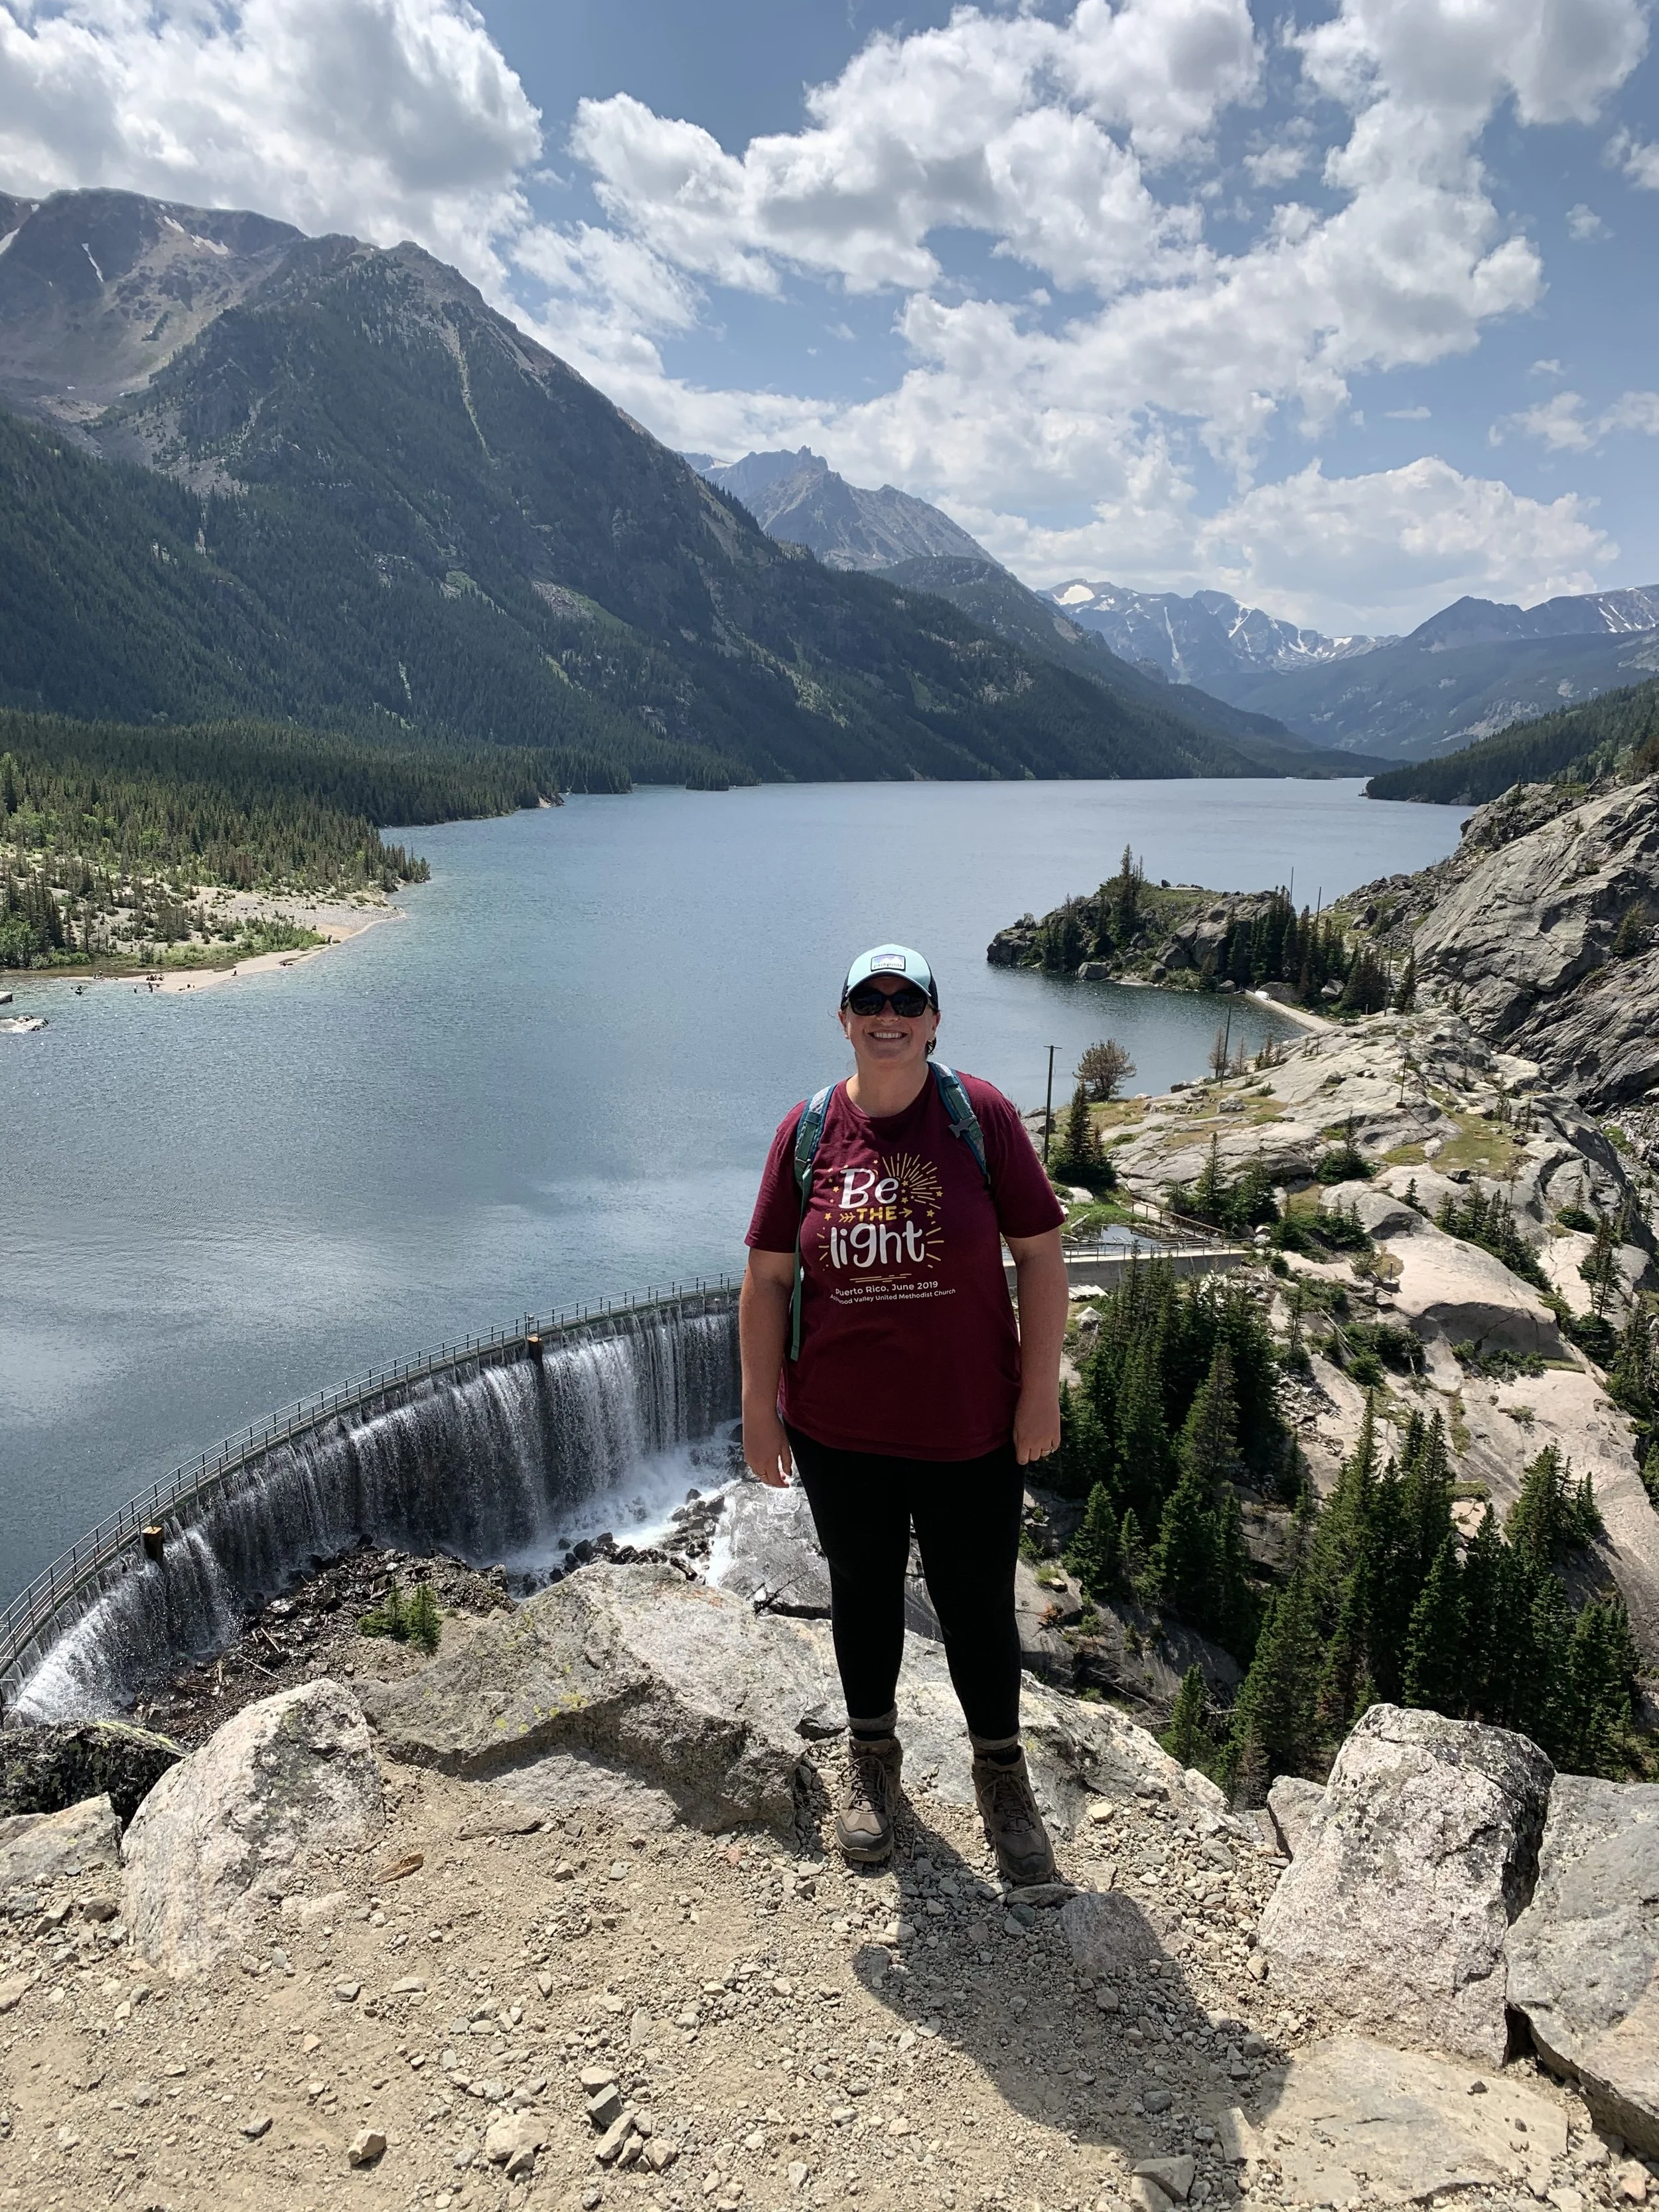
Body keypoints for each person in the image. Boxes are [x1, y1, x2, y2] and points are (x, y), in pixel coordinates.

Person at [740, 942, 1068, 1880]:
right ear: (843, 1017)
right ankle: (873, 1763)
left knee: (976, 1609)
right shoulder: (806, 1134)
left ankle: (1001, 1776)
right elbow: (767, 1281)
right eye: (869, 998)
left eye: (907, 998)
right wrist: (760, 1412)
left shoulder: (981, 1118)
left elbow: (1042, 1257)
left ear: (933, 1018)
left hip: (971, 1423)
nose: (889, 1013)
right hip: (839, 1432)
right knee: (865, 1597)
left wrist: (1038, 1388)